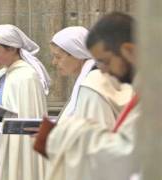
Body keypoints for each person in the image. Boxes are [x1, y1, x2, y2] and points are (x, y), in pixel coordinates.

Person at [44, 12, 140, 180]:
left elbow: (128, 153)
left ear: (129, 51)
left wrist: (67, 133)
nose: (102, 70)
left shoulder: (93, 84)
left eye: (105, 61)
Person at [33, 26, 133, 156]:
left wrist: (53, 140)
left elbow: (96, 141)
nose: (54, 62)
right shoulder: (90, 78)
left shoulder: (92, 84)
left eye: (58, 57)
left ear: (77, 54)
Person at [0, 24, 50, 180]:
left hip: (13, 149)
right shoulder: (3, 74)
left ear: (12, 48)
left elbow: (26, 127)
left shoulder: (26, 77)